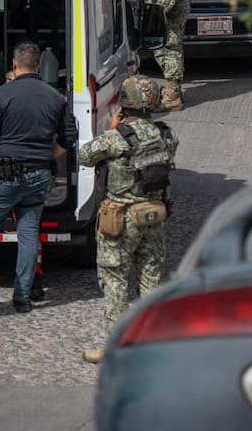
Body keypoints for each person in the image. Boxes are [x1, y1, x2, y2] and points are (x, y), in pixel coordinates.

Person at [0, 41, 77, 313]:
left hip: (4, 175)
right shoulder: (56, 97)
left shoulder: (1, 95)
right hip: (39, 175)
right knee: (29, 233)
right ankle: (22, 297)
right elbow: (69, 139)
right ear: (39, 67)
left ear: (14, 65)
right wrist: (46, 156)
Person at [76, 74, 174, 364]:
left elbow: (84, 155)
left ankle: (115, 345)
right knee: (151, 279)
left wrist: (111, 128)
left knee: (116, 280)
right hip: (153, 215)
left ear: (124, 104)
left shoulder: (117, 138)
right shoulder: (167, 134)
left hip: (119, 220)